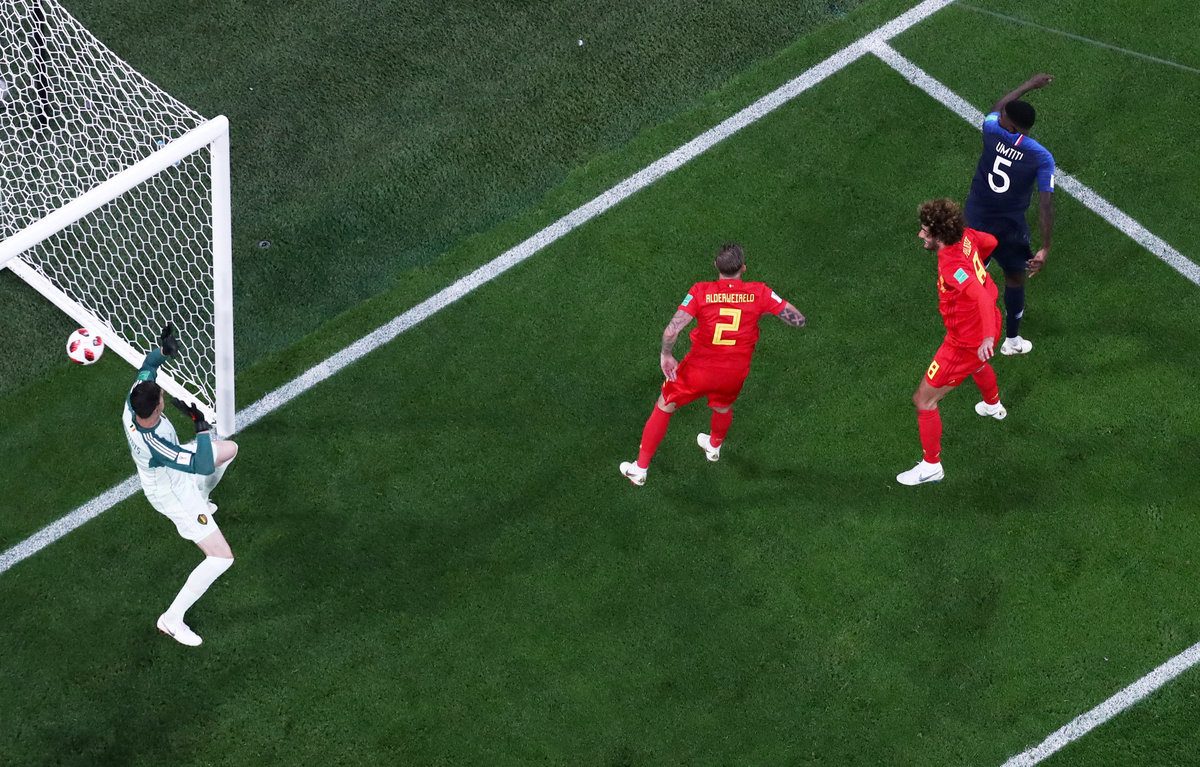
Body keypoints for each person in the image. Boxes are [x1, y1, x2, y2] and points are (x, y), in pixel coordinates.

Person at [619, 243, 805, 486]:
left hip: (700, 369)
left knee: (665, 405)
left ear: (716, 265)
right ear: (743, 268)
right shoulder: (759, 293)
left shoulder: (700, 292)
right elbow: (798, 319)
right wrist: (763, 310)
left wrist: (666, 354)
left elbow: (672, 330)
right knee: (722, 407)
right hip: (734, 372)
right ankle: (714, 446)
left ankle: (640, 468)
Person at [123, 325, 239, 646]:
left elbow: (148, 365)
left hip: (174, 471)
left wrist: (163, 352)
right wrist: (200, 427)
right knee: (221, 558)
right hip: (172, 493)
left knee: (229, 450)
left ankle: (203, 497)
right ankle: (172, 619)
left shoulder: (135, 400)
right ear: (157, 408)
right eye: (161, 395)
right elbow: (201, 465)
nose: (162, 393)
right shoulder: (155, 444)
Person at [897, 199, 1008, 486]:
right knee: (977, 364)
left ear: (939, 234)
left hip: (966, 342)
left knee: (924, 400)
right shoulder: (966, 236)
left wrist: (985, 337)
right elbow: (991, 242)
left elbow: (979, 297)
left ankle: (931, 466)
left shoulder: (951, 266)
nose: (920, 235)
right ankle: (993, 405)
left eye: (925, 231)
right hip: (990, 323)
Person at [964, 73, 1055, 356]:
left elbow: (996, 109)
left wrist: (1028, 85)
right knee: (1015, 278)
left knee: (972, 275)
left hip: (975, 220)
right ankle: (1012, 341)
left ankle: (970, 332)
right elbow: (1045, 204)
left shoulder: (991, 131)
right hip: (1010, 229)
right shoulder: (1041, 156)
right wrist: (1045, 247)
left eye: (1005, 116)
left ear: (1011, 126)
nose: (1000, 114)